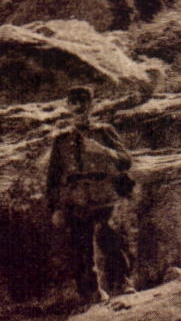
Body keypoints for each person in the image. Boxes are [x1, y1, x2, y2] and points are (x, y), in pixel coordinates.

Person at [45, 85, 135, 303]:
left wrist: (103, 151)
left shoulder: (104, 132)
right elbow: (53, 178)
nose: (79, 109)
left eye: (83, 103)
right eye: (74, 104)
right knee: (81, 248)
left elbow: (125, 160)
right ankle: (91, 294)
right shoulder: (61, 140)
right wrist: (55, 208)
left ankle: (121, 285)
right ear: (68, 107)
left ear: (91, 105)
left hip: (104, 195)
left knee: (111, 240)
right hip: (76, 200)